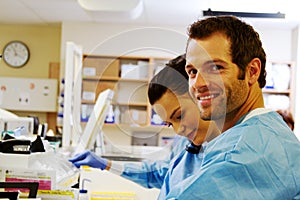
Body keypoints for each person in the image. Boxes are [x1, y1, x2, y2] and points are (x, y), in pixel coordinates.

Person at [158, 15, 300, 199]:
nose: (198, 83)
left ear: (252, 72)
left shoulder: (244, 150)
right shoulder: (258, 132)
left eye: (215, 68)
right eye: (192, 71)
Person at [69, 54, 220, 189]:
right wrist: (107, 165)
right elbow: (160, 174)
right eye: (169, 123)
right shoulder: (185, 141)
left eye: (179, 116)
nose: (178, 130)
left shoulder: (230, 152)